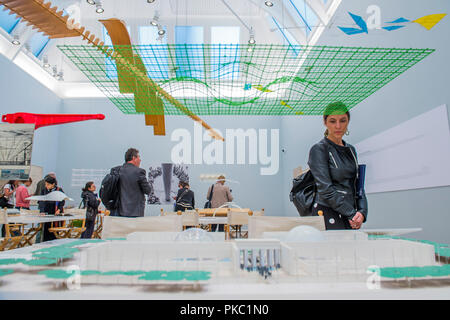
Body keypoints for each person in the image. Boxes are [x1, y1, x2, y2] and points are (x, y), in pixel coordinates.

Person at [307, 102, 368, 230]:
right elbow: (325, 189)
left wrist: (362, 212)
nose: (338, 126)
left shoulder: (351, 150)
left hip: (350, 213)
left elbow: (358, 186)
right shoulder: (319, 149)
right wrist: (351, 213)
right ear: (325, 122)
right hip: (327, 211)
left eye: (343, 121)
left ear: (348, 121)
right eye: (333, 121)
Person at [117, 148, 151, 217]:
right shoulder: (139, 172)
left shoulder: (117, 170)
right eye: (139, 157)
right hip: (135, 213)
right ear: (133, 158)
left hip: (120, 212)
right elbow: (147, 190)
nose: (140, 160)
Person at [38, 176, 65, 241]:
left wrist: (59, 209)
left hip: (55, 212)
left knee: (53, 230)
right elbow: (41, 201)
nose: (46, 186)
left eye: (48, 184)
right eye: (46, 184)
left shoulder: (59, 190)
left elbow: (62, 201)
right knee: (46, 230)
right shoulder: (44, 190)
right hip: (46, 213)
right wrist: (42, 211)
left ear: (53, 184)